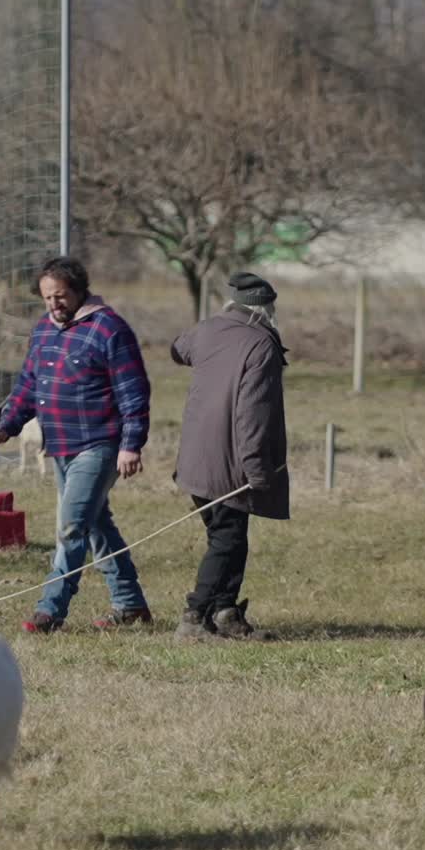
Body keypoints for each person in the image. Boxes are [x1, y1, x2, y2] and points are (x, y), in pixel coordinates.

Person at [0, 256, 152, 634]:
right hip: (59, 443)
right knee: (96, 525)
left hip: (99, 443)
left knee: (72, 526)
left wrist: (131, 444)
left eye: (60, 296)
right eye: (47, 297)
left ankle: (50, 611)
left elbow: (133, 391)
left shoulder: (109, 329)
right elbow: (29, 385)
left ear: (78, 291)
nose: (53, 304)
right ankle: (130, 604)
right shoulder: (44, 330)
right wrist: (7, 426)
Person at [170, 270, 289, 641]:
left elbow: (178, 349)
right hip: (230, 462)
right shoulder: (262, 345)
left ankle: (225, 612)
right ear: (267, 310)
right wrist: (258, 470)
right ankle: (194, 618)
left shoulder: (208, 329)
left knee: (229, 535)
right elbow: (253, 415)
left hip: (194, 459)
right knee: (227, 540)